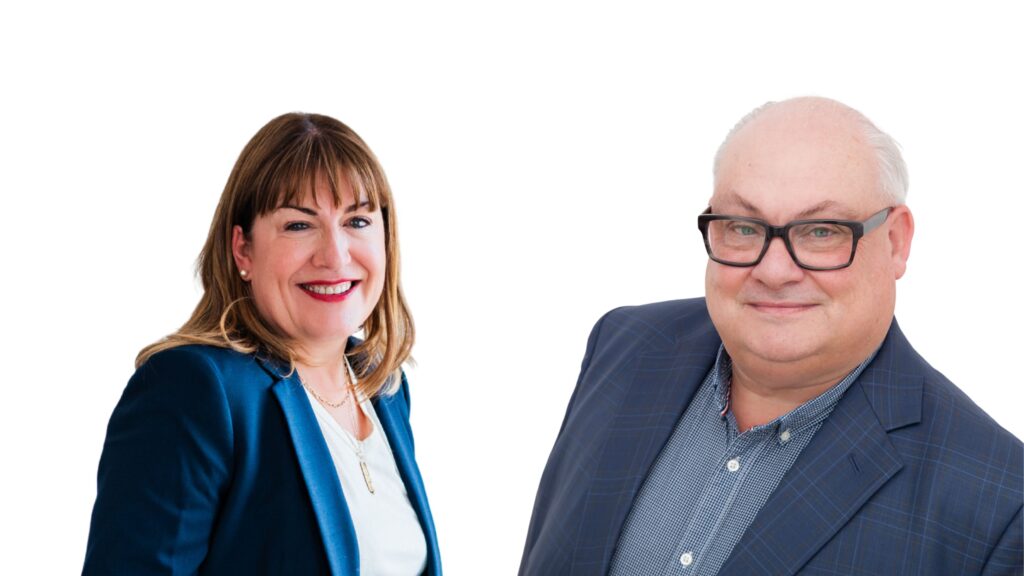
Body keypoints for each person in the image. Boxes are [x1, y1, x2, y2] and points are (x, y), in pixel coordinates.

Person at [519, 97, 1022, 575]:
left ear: (894, 242)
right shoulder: (625, 346)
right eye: (742, 227)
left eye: (821, 231)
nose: (774, 269)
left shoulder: (998, 504)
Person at [83, 113, 441, 575]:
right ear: (243, 250)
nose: (335, 255)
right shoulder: (193, 389)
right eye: (299, 225)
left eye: (357, 220)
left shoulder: (383, 387)